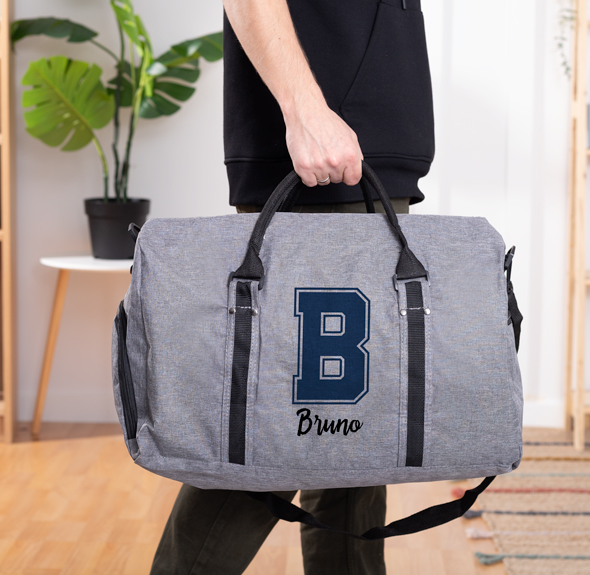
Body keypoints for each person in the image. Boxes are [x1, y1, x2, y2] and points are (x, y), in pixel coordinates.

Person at [150, 0, 434, 573]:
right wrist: (305, 110)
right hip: (324, 146)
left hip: (367, 150)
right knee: (273, 432)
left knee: (354, 437)